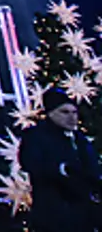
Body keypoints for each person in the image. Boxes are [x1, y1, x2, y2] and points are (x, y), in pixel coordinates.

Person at [17, 87, 102, 232]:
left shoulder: (79, 138)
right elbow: (30, 163)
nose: (72, 117)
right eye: (65, 112)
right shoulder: (36, 136)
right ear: (50, 114)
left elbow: (92, 167)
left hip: (84, 215)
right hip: (53, 213)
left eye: (74, 112)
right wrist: (61, 170)